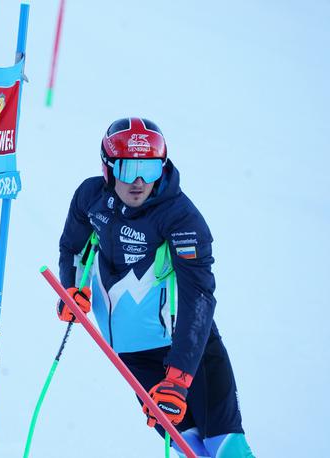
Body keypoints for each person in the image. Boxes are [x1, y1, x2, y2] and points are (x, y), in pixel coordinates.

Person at [57, 117, 254, 457]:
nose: (137, 181)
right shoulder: (90, 196)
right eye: (128, 168)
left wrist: (179, 378)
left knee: (226, 449)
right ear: (107, 167)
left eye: (149, 170)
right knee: (187, 449)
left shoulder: (181, 218)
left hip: (190, 349)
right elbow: (73, 247)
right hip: (135, 355)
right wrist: (73, 289)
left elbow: (199, 297)